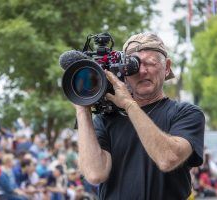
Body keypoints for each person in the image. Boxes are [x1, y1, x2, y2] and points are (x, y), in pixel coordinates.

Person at [74, 32, 205, 199]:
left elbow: (167, 158)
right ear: (124, 72)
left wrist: (129, 105)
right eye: (133, 65)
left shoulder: (186, 113)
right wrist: (82, 109)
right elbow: (94, 174)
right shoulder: (106, 119)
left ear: (167, 68)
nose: (143, 71)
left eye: (151, 63)